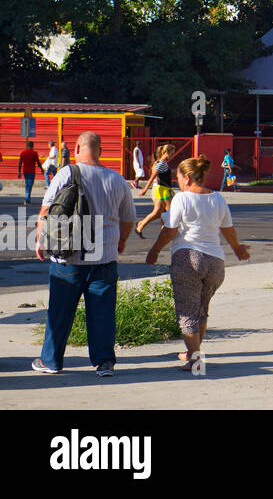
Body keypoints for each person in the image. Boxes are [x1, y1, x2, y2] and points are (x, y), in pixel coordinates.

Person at [32, 132, 137, 377]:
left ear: (78, 147)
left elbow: (46, 211)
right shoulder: (117, 179)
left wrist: (41, 240)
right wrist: (121, 240)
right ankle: (104, 363)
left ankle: (51, 361)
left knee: (60, 312)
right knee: (102, 313)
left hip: (68, 258)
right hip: (105, 257)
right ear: (100, 149)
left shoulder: (66, 173)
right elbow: (128, 218)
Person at [145, 156, 250, 371]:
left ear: (187, 177)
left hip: (188, 258)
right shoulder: (218, 198)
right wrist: (237, 248)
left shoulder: (182, 199)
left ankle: (195, 360)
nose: (177, 182)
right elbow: (228, 228)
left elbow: (171, 230)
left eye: (178, 178)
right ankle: (194, 353)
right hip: (215, 262)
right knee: (202, 310)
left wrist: (155, 249)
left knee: (187, 311)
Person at [135, 144, 176, 238]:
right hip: (162, 190)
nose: (172, 156)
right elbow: (153, 176)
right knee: (169, 212)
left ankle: (143, 225)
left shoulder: (162, 162)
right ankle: (163, 230)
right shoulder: (161, 163)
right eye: (172, 153)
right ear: (166, 152)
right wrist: (145, 189)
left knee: (160, 212)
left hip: (164, 189)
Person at [17, 140, 41, 205]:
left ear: (27, 146)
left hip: (25, 171)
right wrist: (41, 169)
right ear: (33, 146)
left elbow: (20, 163)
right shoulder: (34, 153)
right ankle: (27, 199)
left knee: (27, 185)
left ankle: (27, 198)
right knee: (29, 185)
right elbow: (38, 162)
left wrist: (19, 172)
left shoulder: (23, 153)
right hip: (32, 172)